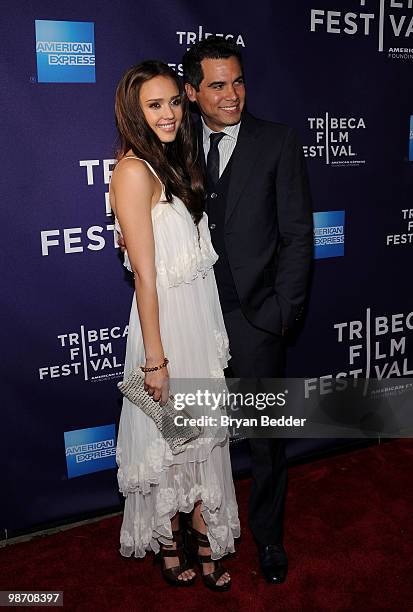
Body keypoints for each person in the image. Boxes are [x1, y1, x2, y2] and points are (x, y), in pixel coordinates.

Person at [183, 38, 313, 584]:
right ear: (191, 92)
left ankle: (269, 539)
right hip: (194, 318)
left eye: (237, 81)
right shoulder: (175, 143)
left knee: (265, 441)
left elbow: (298, 234)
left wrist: (283, 310)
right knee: (191, 436)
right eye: (216, 85)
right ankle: (198, 533)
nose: (231, 95)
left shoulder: (277, 141)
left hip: (258, 318)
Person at [110, 60, 240, 591]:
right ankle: (168, 535)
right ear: (133, 112)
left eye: (172, 102)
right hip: (163, 327)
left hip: (196, 316)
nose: (168, 114)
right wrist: (156, 360)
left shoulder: (172, 161)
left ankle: (202, 525)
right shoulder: (133, 170)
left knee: (200, 433)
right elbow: (145, 273)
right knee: (169, 435)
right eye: (154, 105)